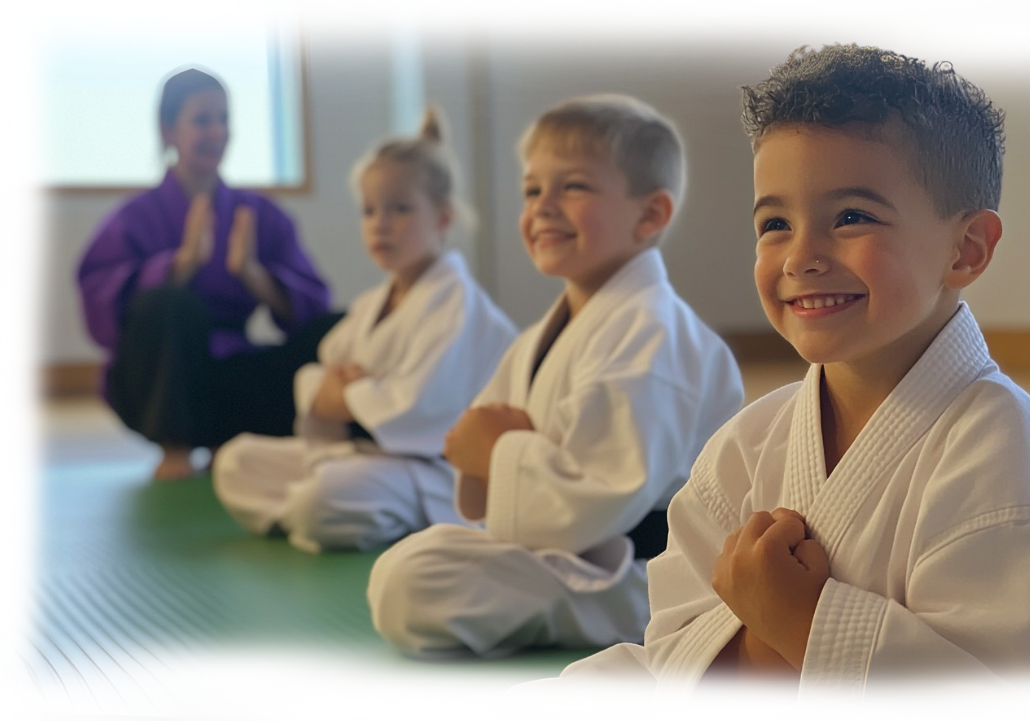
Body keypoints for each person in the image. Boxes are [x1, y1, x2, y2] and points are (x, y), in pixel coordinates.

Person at [545, 44, 1030, 692]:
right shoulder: (748, 443)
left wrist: (799, 618)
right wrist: (766, 635)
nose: (801, 255)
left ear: (967, 248)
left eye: (851, 217)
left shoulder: (998, 440)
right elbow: (673, 641)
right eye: (776, 223)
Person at [366, 95, 745, 658]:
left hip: (642, 574)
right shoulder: (549, 331)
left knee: (415, 580)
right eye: (531, 190)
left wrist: (499, 452)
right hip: (567, 551)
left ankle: (622, 618)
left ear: (650, 215)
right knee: (404, 569)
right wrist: (491, 451)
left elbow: (601, 496)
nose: (542, 207)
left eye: (573, 187)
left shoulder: (652, 336)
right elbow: (473, 439)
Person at [211, 108, 517, 553]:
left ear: (444, 218)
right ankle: (323, 509)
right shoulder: (374, 303)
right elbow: (323, 371)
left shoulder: (457, 303)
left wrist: (345, 397)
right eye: (370, 210)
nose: (381, 223)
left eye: (400, 208)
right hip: (364, 458)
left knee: (325, 498)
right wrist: (337, 392)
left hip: (429, 470)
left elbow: (416, 409)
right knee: (235, 462)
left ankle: (328, 509)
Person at [76, 66, 333, 479]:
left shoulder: (258, 214)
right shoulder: (134, 218)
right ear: (168, 131)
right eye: (202, 120)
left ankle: (229, 439)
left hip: (233, 378)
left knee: (335, 329)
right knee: (173, 303)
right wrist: (179, 266)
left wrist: (252, 275)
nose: (216, 132)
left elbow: (313, 306)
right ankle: (175, 447)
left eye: (224, 119)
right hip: (159, 388)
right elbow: (101, 311)